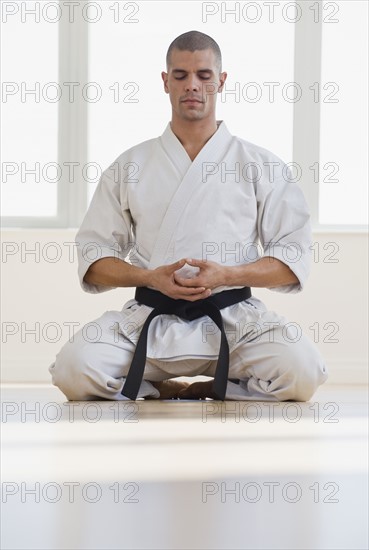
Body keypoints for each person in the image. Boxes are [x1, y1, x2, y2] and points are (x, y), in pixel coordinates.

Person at [49, 30, 328, 402]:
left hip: (234, 320)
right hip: (152, 316)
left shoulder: (260, 164)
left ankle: (212, 386)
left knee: (303, 372)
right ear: (165, 82)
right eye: (180, 75)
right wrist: (150, 277)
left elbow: (293, 257)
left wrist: (229, 274)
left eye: (204, 75)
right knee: (74, 370)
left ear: (222, 81)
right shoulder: (131, 164)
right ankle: (165, 385)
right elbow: (94, 256)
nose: (192, 85)